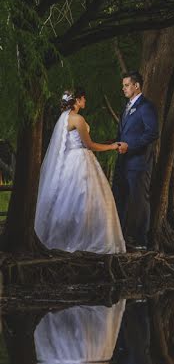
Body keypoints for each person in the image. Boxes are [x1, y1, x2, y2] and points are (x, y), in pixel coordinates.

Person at [34, 89, 127, 253]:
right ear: (77, 100)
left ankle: (66, 236)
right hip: (81, 161)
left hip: (68, 162)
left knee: (68, 200)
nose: (85, 101)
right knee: (88, 199)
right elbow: (89, 145)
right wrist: (112, 146)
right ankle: (87, 238)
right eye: (83, 98)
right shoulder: (78, 119)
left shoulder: (64, 119)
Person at [112, 71, 159, 250]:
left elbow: (152, 133)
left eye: (126, 85)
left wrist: (129, 146)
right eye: (123, 85)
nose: (123, 88)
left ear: (136, 86)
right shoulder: (126, 107)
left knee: (139, 199)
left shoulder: (146, 107)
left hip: (139, 162)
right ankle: (119, 238)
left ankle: (141, 241)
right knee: (119, 198)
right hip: (122, 162)